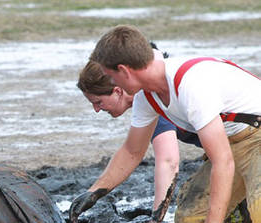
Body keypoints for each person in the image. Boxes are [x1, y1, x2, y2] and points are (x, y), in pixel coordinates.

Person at [70, 24, 261, 223]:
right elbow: (132, 152)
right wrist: (94, 192)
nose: (113, 84)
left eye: (110, 76)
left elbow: (223, 160)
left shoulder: (190, 85)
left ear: (124, 71)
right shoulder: (147, 97)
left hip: (256, 137)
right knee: (189, 222)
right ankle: (248, 205)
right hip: (232, 145)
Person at [77, 59, 201, 213]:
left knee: (190, 220)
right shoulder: (143, 101)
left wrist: (155, 220)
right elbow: (131, 152)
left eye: (98, 102)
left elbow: (168, 161)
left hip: (233, 146)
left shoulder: (151, 97)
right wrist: (93, 193)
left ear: (117, 91)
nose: (96, 109)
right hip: (221, 147)